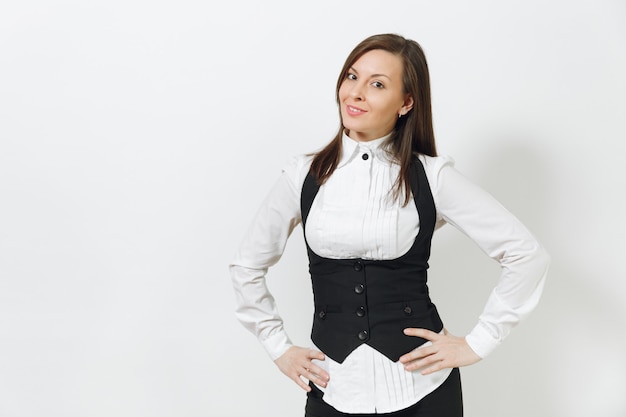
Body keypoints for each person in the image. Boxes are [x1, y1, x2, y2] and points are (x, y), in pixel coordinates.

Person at [229, 33, 550, 417]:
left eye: (377, 84)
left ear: (406, 102)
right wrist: (278, 347)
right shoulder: (304, 176)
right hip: (334, 390)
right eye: (352, 77)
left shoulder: (431, 177)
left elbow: (526, 254)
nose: (356, 93)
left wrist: (477, 343)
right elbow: (246, 266)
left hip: (423, 391)